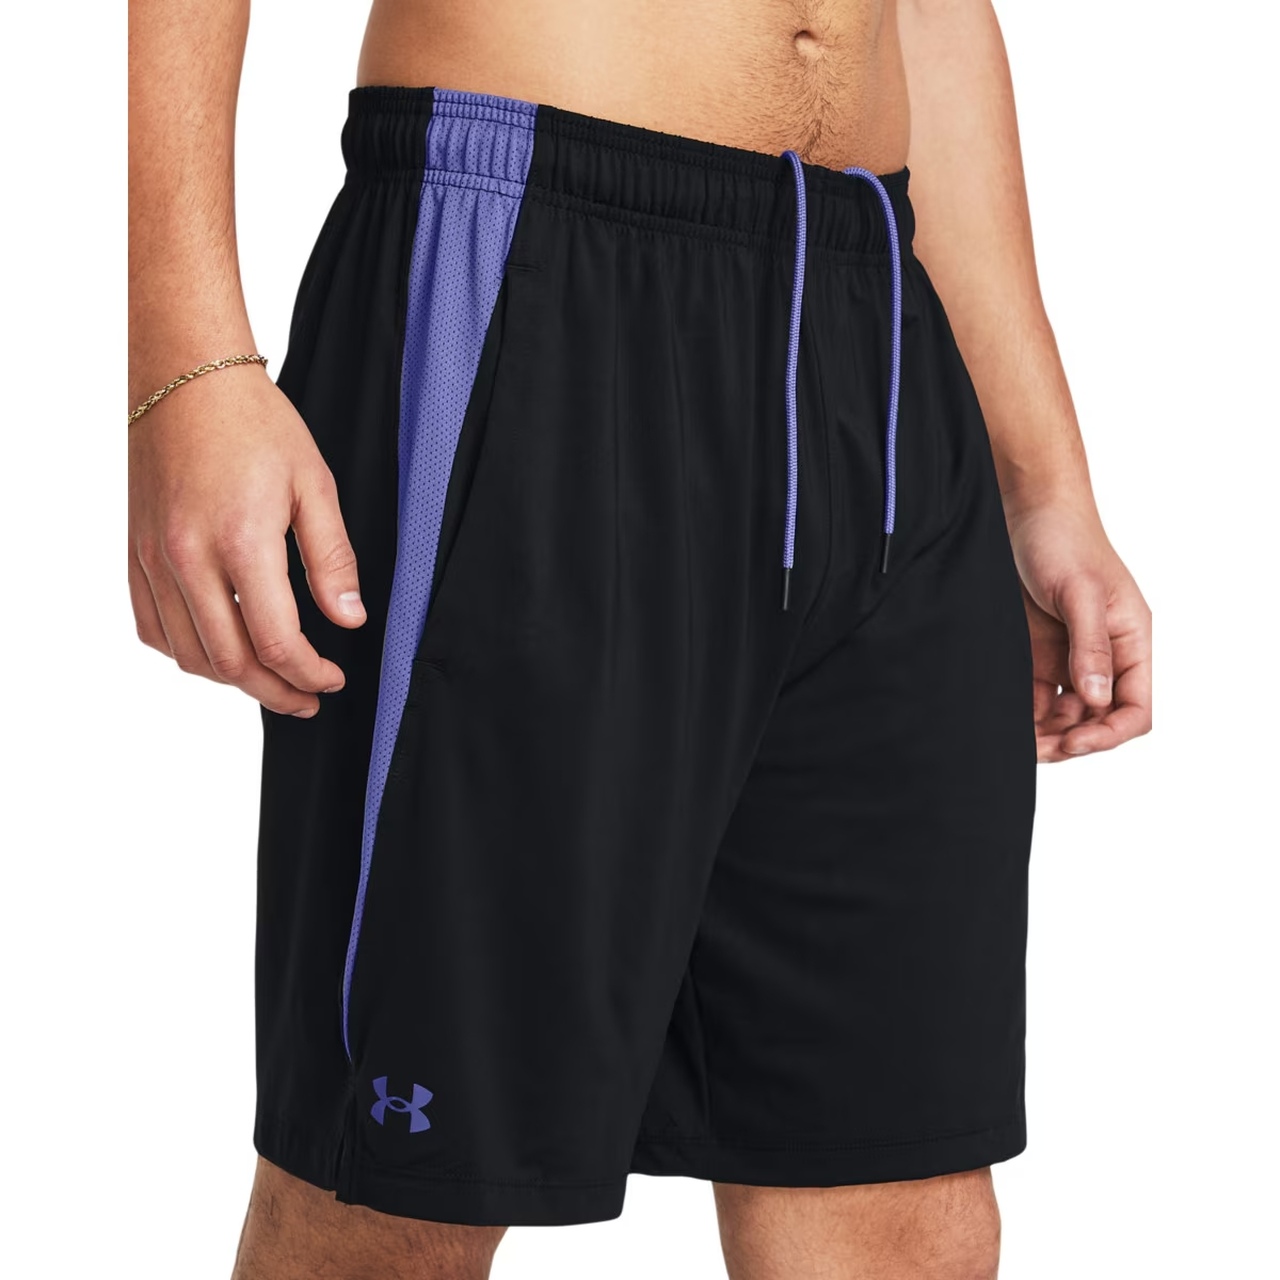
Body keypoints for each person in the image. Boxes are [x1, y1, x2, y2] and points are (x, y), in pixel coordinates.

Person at [128, 0, 1152, 1275]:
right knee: (403, 1191)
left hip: (876, 317)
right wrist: (189, 361)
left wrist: (1041, 479)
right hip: (533, 250)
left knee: (899, 1207)